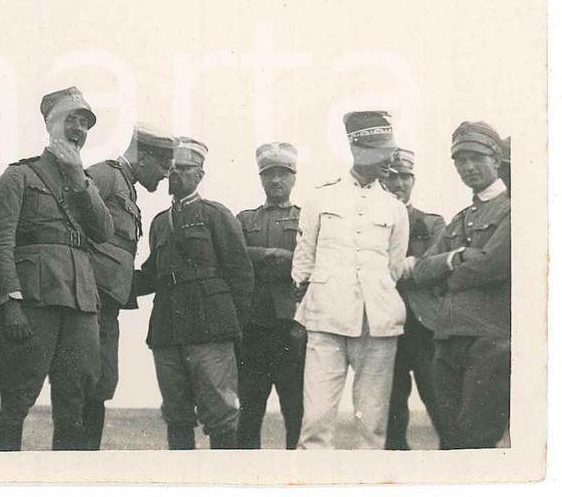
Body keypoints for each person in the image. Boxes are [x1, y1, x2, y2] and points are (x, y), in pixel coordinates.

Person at [0, 87, 114, 451]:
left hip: (80, 305)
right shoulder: (19, 176)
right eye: (69, 119)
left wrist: (78, 180)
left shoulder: (84, 180)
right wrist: (10, 301)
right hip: (34, 302)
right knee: (16, 398)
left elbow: (103, 232)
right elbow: (0, 241)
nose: (77, 128)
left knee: (74, 401)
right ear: (49, 124)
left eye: (83, 122)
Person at [291, 111, 409, 449]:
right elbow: (304, 261)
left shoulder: (394, 209)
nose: (390, 160)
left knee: (372, 426)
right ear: (358, 150)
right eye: (381, 151)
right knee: (315, 420)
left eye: (391, 152)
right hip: (325, 320)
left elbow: (394, 268)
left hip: (378, 323)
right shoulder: (319, 199)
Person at [133, 138, 255, 450]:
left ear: (200, 174)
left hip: (210, 329)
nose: (175, 175)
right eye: (171, 169)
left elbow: (241, 275)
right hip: (167, 331)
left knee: (221, 413)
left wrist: (232, 328)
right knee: (176, 414)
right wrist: (108, 282)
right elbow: (151, 274)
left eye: (184, 169)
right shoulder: (160, 223)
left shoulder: (216, 215)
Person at [408, 121, 511, 449]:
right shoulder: (460, 217)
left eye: (477, 157)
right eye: (460, 160)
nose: (468, 166)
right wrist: (457, 258)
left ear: (496, 159)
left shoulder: (515, 209)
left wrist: (449, 276)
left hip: (490, 339)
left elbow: (494, 264)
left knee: (476, 439)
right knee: (449, 439)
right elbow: (422, 269)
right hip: (448, 339)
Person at [82, 125, 175, 449]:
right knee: (83, 387)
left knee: (101, 385)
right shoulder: (105, 175)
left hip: (108, 307)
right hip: (87, 304)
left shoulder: (127, 188)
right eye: (163, 165)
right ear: (144, 156)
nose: (165, 175)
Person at [234, 142, 306, 450]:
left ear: (293, 178)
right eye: (269, 174)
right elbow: (235, 257)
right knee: (250, 407)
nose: (276, 180)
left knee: (296, 409)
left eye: (282, 174)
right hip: (253, 325)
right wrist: (270, 255)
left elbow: (311, 257)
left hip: (292, 325)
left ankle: (298, 477)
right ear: (261, 178)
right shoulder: (244, 220)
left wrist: (277, 259)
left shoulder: (307, 218)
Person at [379, 147, 447, 450]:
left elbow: (435, 263)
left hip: (424, 325)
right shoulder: (372, 223)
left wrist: (410, 267)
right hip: (386, 323)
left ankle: (456, 466)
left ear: (413, 180)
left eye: (404, 177)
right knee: (392, 407)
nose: (398, 184)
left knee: (438, 399)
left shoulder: (432, 223)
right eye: (391, 178)